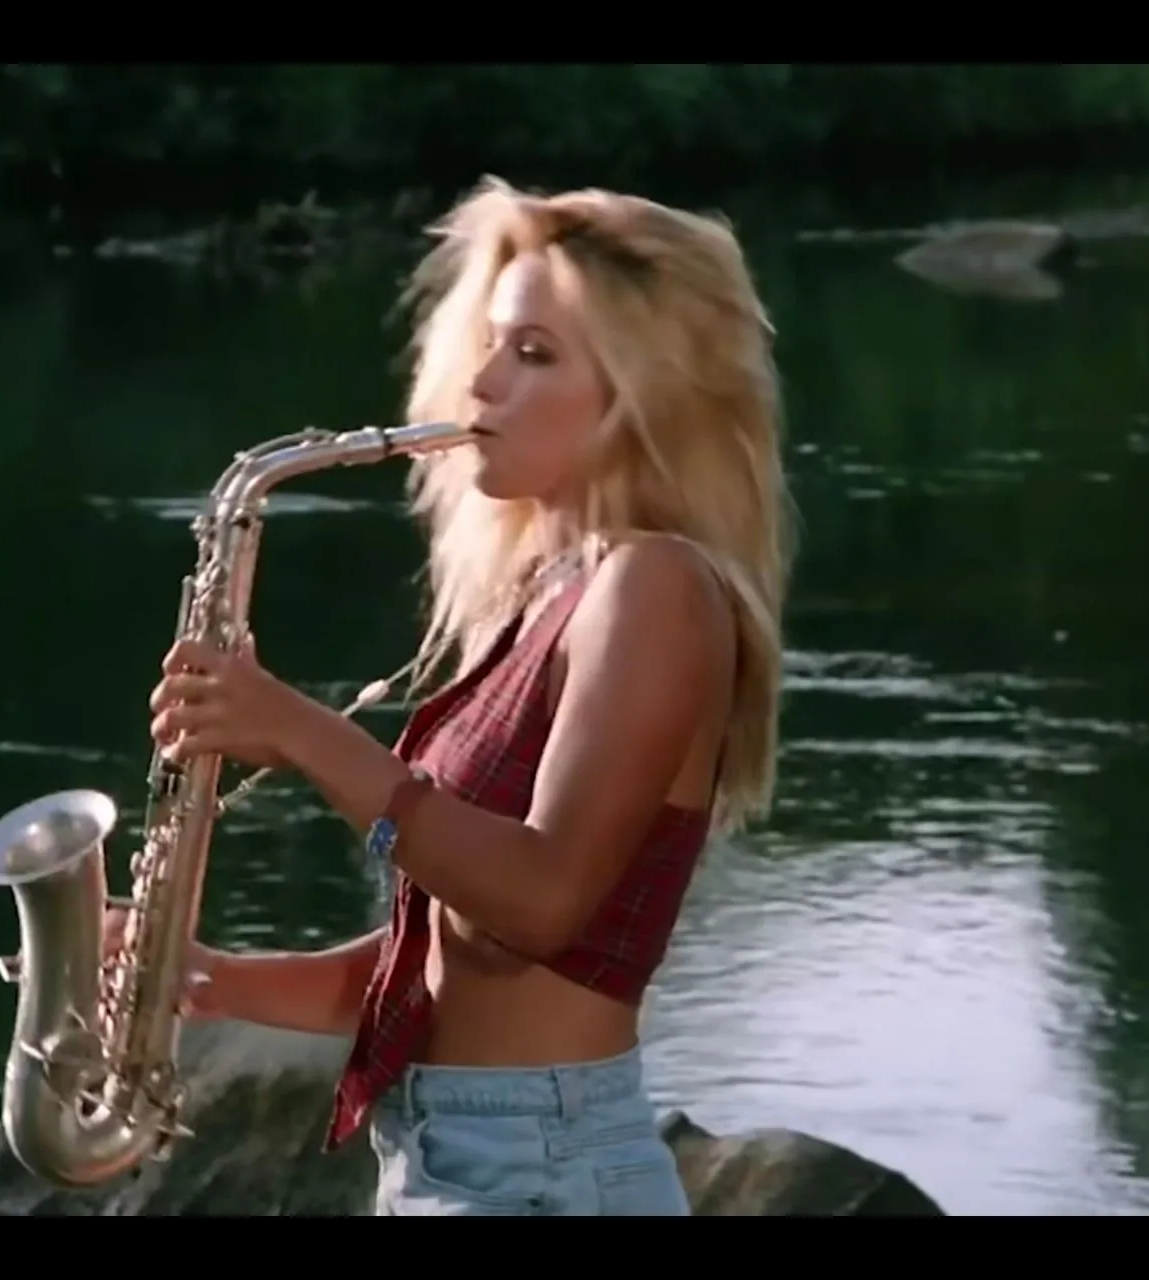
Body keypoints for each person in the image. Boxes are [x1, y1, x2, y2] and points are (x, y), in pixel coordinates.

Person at [131, 176, 791, 1216]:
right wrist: (206, 976)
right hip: (462, 1157)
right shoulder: (554, 589)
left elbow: (540, 899)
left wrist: (302, 732)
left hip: (546, 1167)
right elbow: (447, 957)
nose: (477, 383)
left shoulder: (654, 588)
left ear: (643, 389)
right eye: (489, 341)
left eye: (532, 354)